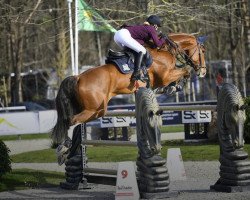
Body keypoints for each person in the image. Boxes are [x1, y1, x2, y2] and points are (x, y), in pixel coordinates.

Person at [114, 15, 166, 82]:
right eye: (157, 26)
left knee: (133, 50)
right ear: (155, 25)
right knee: (142, 50)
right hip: (123, 35)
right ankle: (136, 73)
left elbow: (150, 44)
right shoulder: (151, 28)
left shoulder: (144, 28)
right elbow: (158, 44)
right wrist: (163, 38)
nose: (157, 28)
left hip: (117, 35)